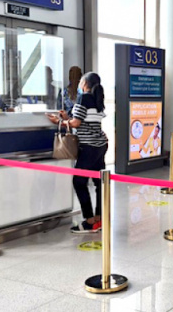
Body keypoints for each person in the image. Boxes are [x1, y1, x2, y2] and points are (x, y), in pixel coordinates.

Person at [47, 72, 108, 233]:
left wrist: (59, 121)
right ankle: (99, 219)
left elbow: (76, 123)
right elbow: (85, 120)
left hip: (88, 147)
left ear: (85, 83)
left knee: (79, 182)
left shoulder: (84, 98)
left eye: (81, 81)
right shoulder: (97, 99)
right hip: (100, 145)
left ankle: (89, 221)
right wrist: (68, 117)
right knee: (98, 182)